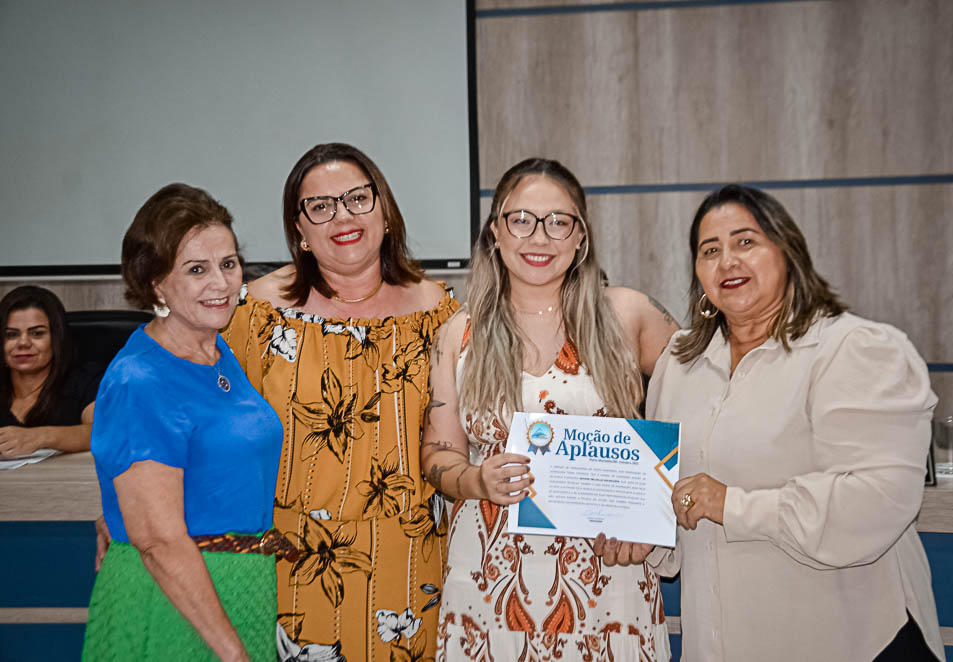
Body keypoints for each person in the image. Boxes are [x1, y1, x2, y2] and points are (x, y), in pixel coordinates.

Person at [630, 184, 943, 660]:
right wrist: (640, 536)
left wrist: (731, 505)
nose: (727, 261)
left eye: (745, 242)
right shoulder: (680, 362)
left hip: (847, 641)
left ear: (788, 252)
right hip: (722, 641)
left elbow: (879, 501)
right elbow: (677, 496)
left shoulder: (854, 348)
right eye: (709, 250)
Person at [421, 158, 680, 661]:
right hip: (490, 586)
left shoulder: (627, 314)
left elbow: (704, 414)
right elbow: (440, 451)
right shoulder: (460, 333)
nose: (539, 238)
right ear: (495, 231)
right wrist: (475, 480)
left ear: (580, 236)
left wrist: (654, 516)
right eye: (521, 219)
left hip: (610, 579)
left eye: (559, 221)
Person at [222, 143, 460, 661]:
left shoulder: (440, 311)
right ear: (299, 231)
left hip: (412, 563)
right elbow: (203, 422)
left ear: (385, 210)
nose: (343, 216)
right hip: (294, 564)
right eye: (321, 206)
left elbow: (471, 430)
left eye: (357, 198)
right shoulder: (255, 313)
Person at [83, 183, 286, 661]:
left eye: (228, 263)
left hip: (239, 588)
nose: (221, 283)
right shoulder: (141, 377)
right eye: (197, 269)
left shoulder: (216, 351)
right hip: (174, 601)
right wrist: (232, 653)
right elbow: (156, 538)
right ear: (157, 283)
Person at [0, 285, 99, 457]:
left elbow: (99, 432)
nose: (23, 343)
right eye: (11, 335)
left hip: (65, 481)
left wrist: (41, 437)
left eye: (37, 334)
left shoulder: (84, 381)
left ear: (57, 338)